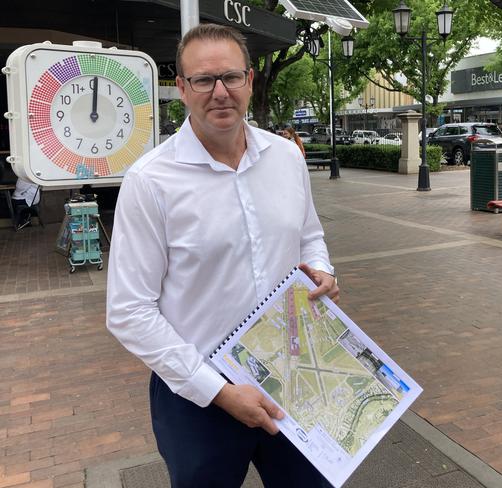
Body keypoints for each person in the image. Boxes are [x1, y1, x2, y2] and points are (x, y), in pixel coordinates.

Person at [106, 24, 339, 488]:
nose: (219, 92)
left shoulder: (285, 158)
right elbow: (128, 311)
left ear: (250, 81)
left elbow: (309, 235)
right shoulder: (151, 181)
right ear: (181, 88)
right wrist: (219, 391)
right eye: (203, 80)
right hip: (197, 392)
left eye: (231, 77)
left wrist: (324, 272)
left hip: (288, 372)